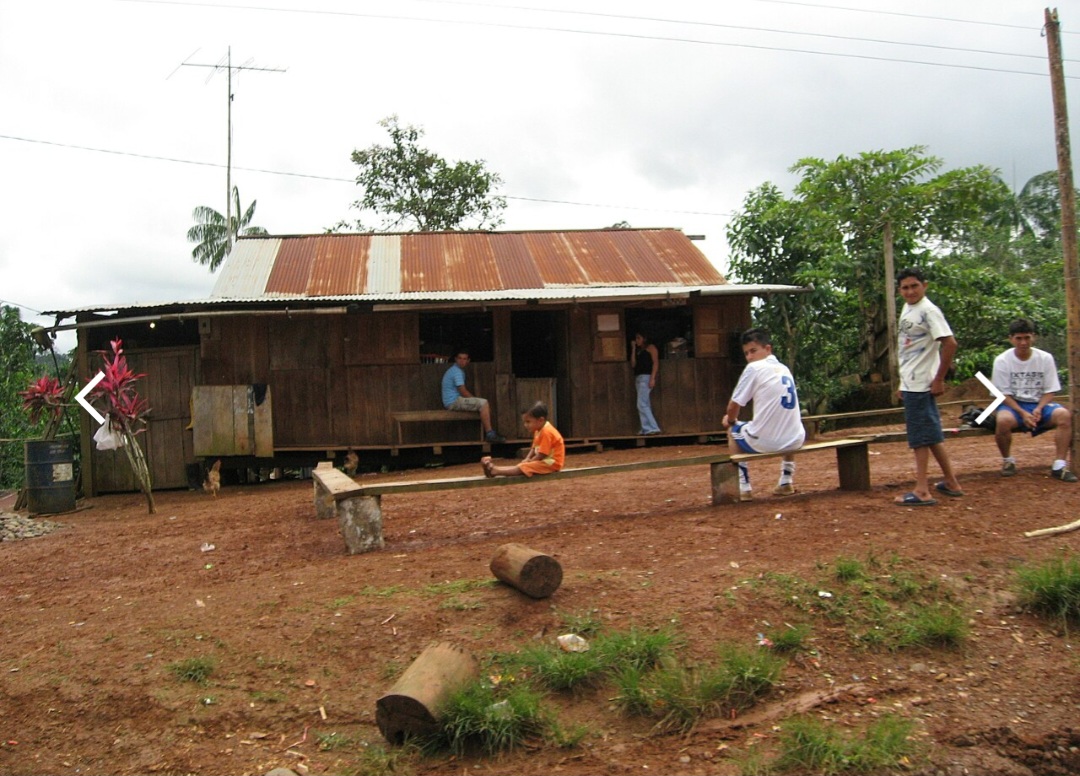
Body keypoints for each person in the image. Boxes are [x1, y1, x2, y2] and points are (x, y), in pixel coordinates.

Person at [895, 267, 964, 506]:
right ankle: (951, 481)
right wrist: (902, 382)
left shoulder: (929, 310)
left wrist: (939, 378)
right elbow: (908, 348)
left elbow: (950, 343)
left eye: (914, 286)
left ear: (925, 285)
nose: (910, 291)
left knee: (919, 439)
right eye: (905, 287)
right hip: (911, 381)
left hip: (922, 384)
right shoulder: (909, 308)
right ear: (899, 290)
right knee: (932, 435)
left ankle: (922, 490)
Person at [722, 328, 805, 501]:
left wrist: (730, 420)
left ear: (767, 349)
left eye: (753, 351)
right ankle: (786, 481)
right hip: (796, 439)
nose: (750, 357)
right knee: (788, 424)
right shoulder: (784, 369)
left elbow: (733, 406)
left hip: (766, 442)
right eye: (746, 353)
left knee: (732, 430)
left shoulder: (754, 368)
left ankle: (744, 486)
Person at [991, 318, 1076, 482]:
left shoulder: (1045, 358)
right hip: (1014, 404)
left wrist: (1038, 408)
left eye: (1027, 338)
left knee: (1064, 416)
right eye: (1019, 338)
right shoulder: (1002, 360)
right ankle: (1008, 460)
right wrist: (1022, 412)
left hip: (1039, 403)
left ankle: (1059, 464)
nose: (1023, 342)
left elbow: (1050, 390)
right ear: (1011, 339)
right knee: (1002, 421)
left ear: (1033, 337)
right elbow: (1002, 394)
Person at [482, 402, 565, 478]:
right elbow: (533, 448)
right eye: (525, 422)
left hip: (552, 463)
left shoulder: (547, 432)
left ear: (540, 420)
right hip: (545, 461)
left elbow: (542, 454)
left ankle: (495, 471)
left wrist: (530, 461)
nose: (525, 425)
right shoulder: (539, 430)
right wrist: (527, 459)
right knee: (523, 465)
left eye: (528, 422)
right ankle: (495, 469)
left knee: (525, 467)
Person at [441, 349, 504, 443]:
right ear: (455, 359)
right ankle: (490, 434)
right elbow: (463, 391)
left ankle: (490, 433)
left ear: (468, 361)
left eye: (464, 359)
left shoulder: (455, 370)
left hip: (454, 400)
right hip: (453, 402)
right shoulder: (456, 372)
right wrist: (475, 400)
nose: (462, 361)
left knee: (482, 404)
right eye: (460, 358)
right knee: (483, 403)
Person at [631, 332, 662, 435]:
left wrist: (652, 378)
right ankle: (645, 427)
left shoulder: (651, 348)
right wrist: (633, 349)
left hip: (646, 377)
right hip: (638, 377)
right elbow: (633, 364)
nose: (637, 340)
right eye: (636, 338)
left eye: (639, 338)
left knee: (641, 404)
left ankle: (653, 427)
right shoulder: (639, 351)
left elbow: (655, 363)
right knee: (645, 403)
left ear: (644, 338)